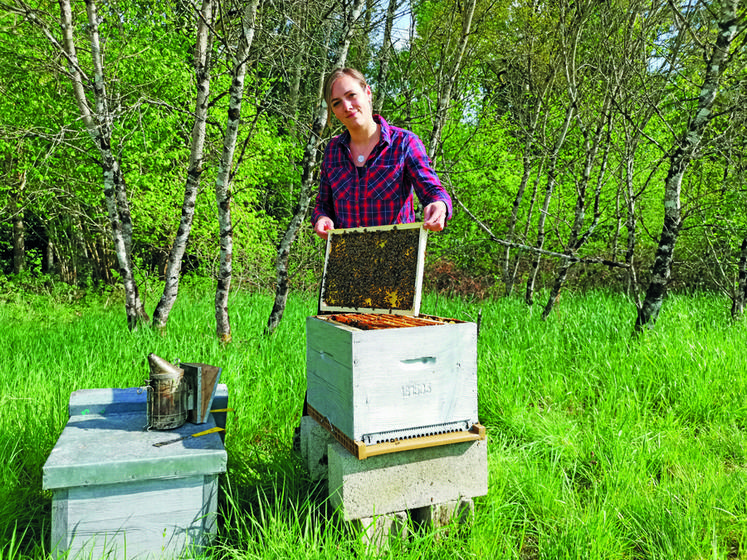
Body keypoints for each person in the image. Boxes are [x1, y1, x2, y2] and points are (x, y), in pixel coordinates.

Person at [311, 67, 452, 239]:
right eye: (337, 103)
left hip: (397, 260)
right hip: (345, 261)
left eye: (351, 95)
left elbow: (432, 190)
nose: (346, 106)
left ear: (367, 92)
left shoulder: (404, 143)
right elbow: (323, 204)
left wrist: (439, 205)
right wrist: (322, 217)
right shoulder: (332, 151)